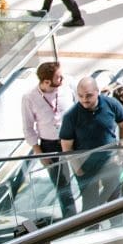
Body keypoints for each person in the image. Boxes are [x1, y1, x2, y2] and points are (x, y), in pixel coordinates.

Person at [58, 77, 123, 211]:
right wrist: (77, 168)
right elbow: (66, 146)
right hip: (86, 165)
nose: (85, 99)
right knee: (89, 202)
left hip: (110, 160)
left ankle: (117, 226)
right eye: (80, 96)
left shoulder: (111, 104)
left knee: (114, 198)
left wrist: (121, 149)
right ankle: (92, 229)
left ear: (97, 92)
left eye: (89, 95)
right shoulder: (71, 116)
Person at [20, 60, 78, 218]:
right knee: (62, 185)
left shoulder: (67, 88)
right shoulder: (29, 98)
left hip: (74, 140)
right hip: (50, 145)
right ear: (46, 81)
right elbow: (28, 128)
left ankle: (90, 216)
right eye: (59, 77)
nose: (62, 79)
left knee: (84, 176)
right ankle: (71, 219)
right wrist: (40, 153)